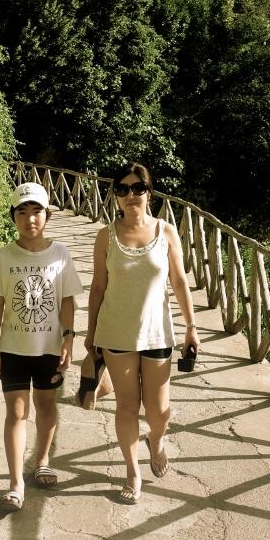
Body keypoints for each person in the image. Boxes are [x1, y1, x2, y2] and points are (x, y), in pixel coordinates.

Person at [85, 162, 199, 504]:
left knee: (159, 411)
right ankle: (132, 472)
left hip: (157, 334)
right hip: (117, 333)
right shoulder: (106, 236)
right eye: (123, 189)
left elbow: (179, 281)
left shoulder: (166, 232)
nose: (130, 195)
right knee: (126, 405)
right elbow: (98, 287)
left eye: (138, 188)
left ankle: (156, 440)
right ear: (115, 195)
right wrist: (90, 334)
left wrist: (191, 328)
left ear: (150, 193)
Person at [0, 181, 82, 512]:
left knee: (46, 404)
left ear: (47, 215)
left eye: (36, 211)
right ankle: (16, 484)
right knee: (16, 412)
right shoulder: (3, 256)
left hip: (49, 347)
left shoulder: (60, 254)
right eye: (22, 212)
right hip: (13, 348)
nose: (30, 219)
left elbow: (67, 300)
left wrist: (68, 338)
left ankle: (42, 461)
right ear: (13, 217)